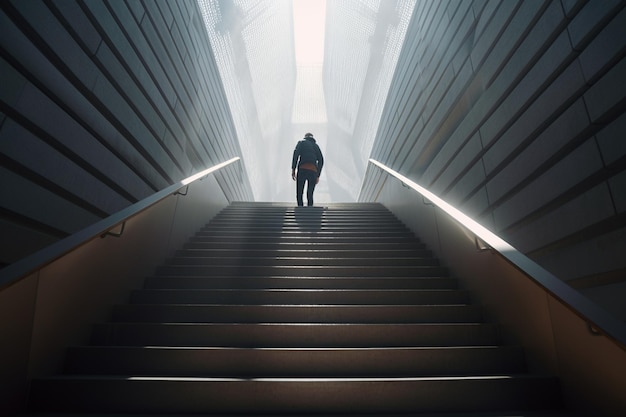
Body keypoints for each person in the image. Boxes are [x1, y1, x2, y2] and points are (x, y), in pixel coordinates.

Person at [291, 132, 324, 206]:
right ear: (312, 137)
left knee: (299, 193)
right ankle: (310, 212)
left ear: (305, 137)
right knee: (310, 194)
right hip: (313, 171)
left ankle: (300, 211)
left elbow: (296, 154)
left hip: (302, 168)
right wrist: (317, 175)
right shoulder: (316, 146)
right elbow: (321, 160)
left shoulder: (301, 143)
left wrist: (293, 169)